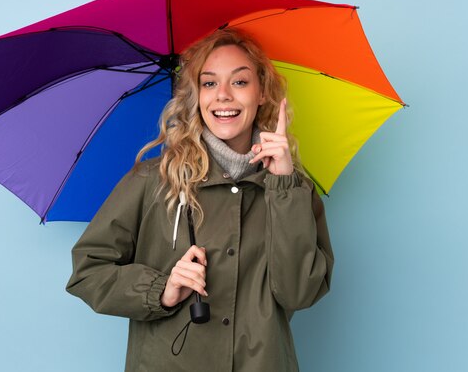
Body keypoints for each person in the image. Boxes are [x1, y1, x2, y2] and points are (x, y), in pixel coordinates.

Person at [66, 28, 334, 372]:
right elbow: (88, 271)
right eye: (209, 83)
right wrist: (162, 289)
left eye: (239, 82)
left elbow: (300, 293)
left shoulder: (294, 190)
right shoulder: (153, 180)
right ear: (196, 96)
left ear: (262, 92)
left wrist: (283, 184)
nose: (222, 95)